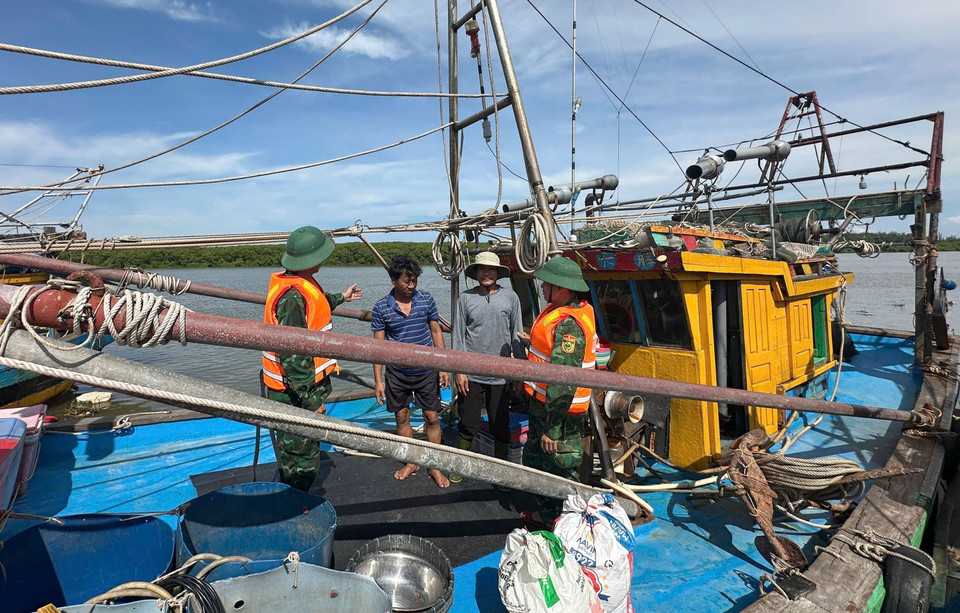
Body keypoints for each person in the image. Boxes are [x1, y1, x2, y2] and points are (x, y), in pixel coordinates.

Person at [261, 225, 363, 492]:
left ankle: (294, 495)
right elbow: (295, 356)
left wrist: (342, 297)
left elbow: (318, 303)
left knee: (298, 446)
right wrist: (312, 400)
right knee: (301, 456)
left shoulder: (299, 284)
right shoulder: (292, 297)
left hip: (297, 387)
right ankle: (297, 502)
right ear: (312, 260)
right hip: (293, 391)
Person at [520, 256, 598, 525]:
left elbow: (563, 380)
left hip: (560, 414)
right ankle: (548, 514)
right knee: (537, 461)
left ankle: (563, 523)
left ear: (562, 290)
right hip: (544, 407)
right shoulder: (562, 313)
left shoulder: (569, 326)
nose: (542, 288)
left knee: (559, 469)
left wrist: (552, 429)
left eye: (547, 284)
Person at [371, 255, 451, 488]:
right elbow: (378, 348)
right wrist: (378, 381)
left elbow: (436, 332)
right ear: (393, 280)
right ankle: (411, 461)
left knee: (432, 417)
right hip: (397, 373)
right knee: (402, 416)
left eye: (414, 281)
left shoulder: (426, 300)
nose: (411, 286)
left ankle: (433, 464)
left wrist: (443, 366)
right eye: (406, 281)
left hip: (426, 371)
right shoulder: (381, 308)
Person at [450, 251, 524, 484]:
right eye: (481, 269)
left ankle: (500, 473)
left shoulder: (511, 298)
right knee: (468, 423)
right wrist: (459, 370)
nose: (486, 273)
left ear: (497, 273)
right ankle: (462, 465)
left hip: (501, 374)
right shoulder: (465, 298)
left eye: (490, 269)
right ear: (476, 273)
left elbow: (517, 335)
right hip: (470, 373)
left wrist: (520, 373)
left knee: (500, 424)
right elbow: (458, 336)